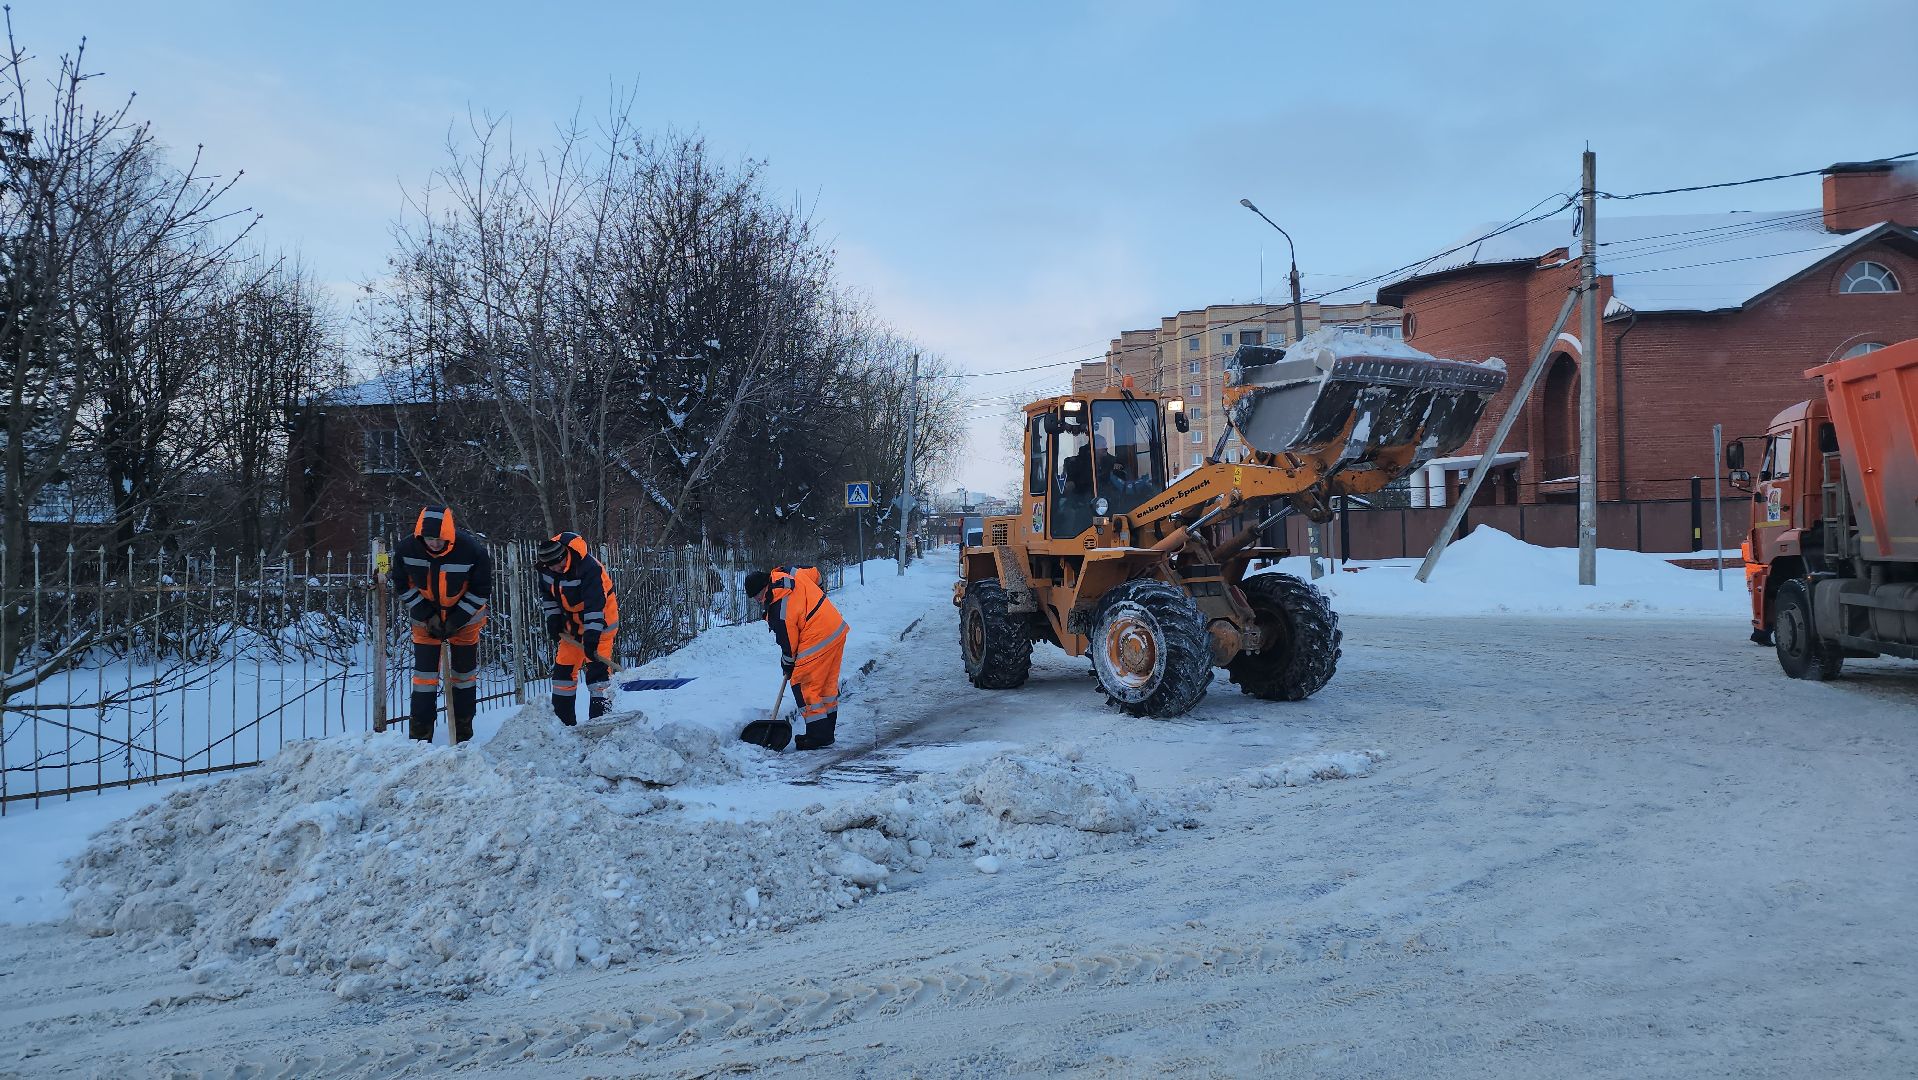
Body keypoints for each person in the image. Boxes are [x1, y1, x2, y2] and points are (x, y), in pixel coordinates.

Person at [389, 505, 492, 744]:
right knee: (424, 679)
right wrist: (427, 614)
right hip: (426, 624)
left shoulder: (471, 551)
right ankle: (419, 735)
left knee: (463, 677)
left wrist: (456, 619)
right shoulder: (407, 549)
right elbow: (402, 585)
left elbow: (481, 590)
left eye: (439, 538)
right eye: (429, 538)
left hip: (465, 623)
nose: (434, 543)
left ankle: (462, 732)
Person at [739, 564, 847, 751]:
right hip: (835, 629)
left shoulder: (778, 608)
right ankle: (826, 732)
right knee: (826, 686)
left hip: (817, 638)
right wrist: (818, 599)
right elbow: (815, 573)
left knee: (802, 683)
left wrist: (787, 665)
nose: (758, 601)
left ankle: (818, 736)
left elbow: (789, 645)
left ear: (764, 588)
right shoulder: (786, 572)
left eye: (757, 596)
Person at [535, 531, 620, 725]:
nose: (557, 568)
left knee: (598, 677)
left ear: (565, 554)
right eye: (552, 566)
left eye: (559, 564)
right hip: (571, 629)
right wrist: (554, 619)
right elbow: (548, 597)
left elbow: (594, 605)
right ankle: (563, 726)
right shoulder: (547, 570)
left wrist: (591, 636)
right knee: (563, 674)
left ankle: (601, 724)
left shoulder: (589, 568)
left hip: (601, 624)